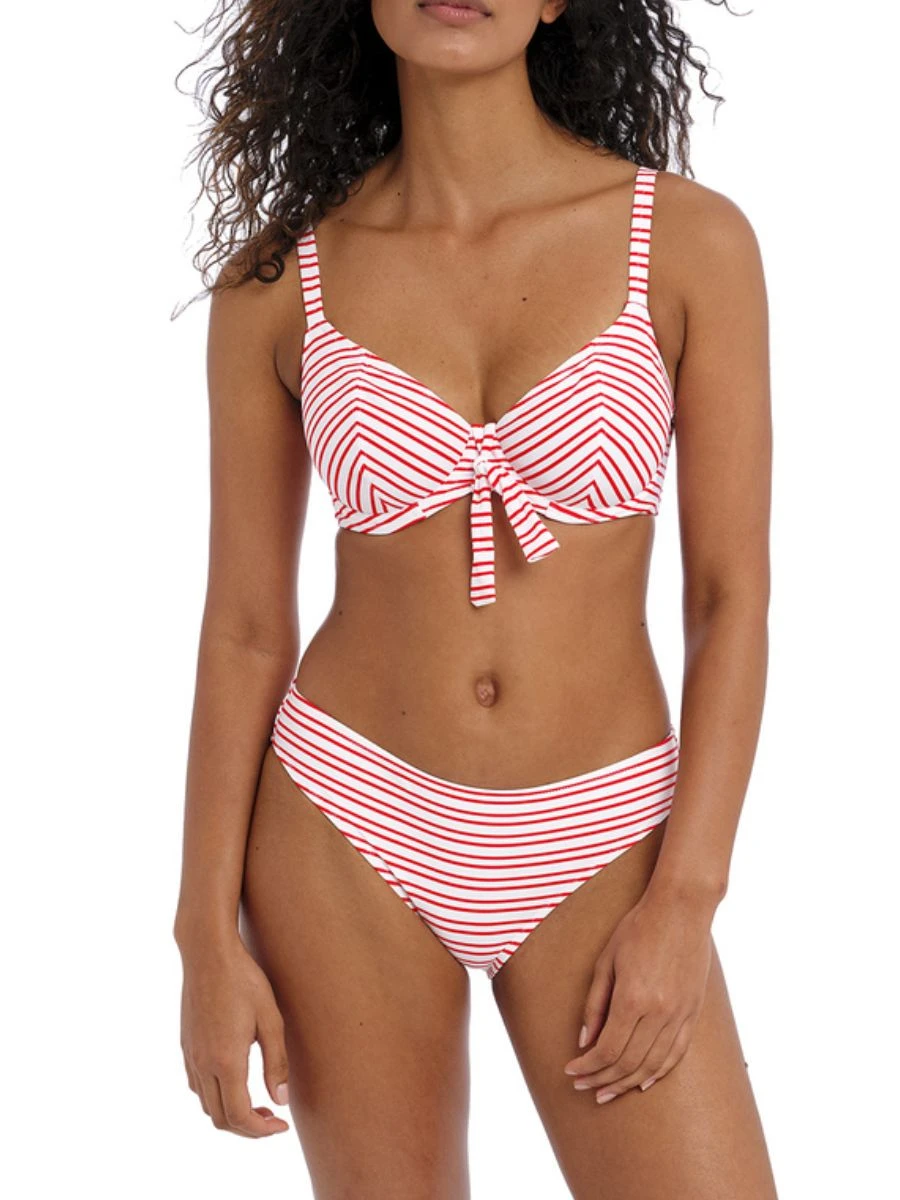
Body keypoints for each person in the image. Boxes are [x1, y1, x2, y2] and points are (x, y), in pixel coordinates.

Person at [174, 1, 777, 1196]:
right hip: (346, 819)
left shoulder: (687, 242)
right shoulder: (278, 282)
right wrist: (201, 935)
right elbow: (243, 628)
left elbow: (731, 598)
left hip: (605, 833)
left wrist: (686, 898)